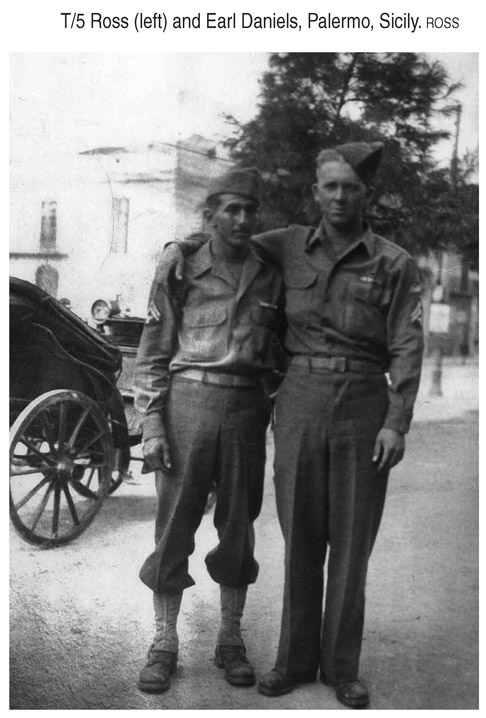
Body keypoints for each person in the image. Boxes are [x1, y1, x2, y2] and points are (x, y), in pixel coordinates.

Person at [157, 142, 424, 708]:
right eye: (330, 186)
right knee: (300, 535)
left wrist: (397, 421)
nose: (340, 196)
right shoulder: (287, 246)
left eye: (351, 187)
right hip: (298, 399)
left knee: (352, 542)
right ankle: (293, 660)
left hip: (362, 402)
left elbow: (407, 344)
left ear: (364, 195)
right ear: (315, 194)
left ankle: (342, 668)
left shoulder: (393, 263)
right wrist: (175, 248)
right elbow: (222, 243)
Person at [133, 167, 283, 694]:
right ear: (210, 214)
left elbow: (282, 352)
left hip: (245, 407)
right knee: (174, 526)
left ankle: (230, 639)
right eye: (231, 210)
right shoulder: (181, 267)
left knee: (238, 526)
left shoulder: (272, 272)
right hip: (187, 405)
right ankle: (163, 642)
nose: (241, 219)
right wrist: (152, 424)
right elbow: (152, 355)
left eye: (249, 210)